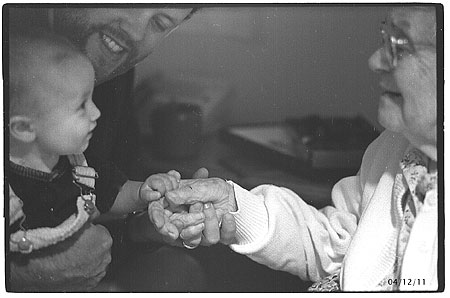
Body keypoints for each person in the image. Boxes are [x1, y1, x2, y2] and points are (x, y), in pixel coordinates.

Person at [163, 6, 440, 291]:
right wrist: (236, 206)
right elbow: (336, 246)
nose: (375, 61)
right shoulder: (393, 147)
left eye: (400, 44)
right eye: (386, 37)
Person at [6, 6, 236, 291]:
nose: (137, 32)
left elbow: (109, 194)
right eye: (131, 0)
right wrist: (19, 274)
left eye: (161, 22)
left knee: (177, 272)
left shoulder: (116, 68)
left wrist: (150, 219)